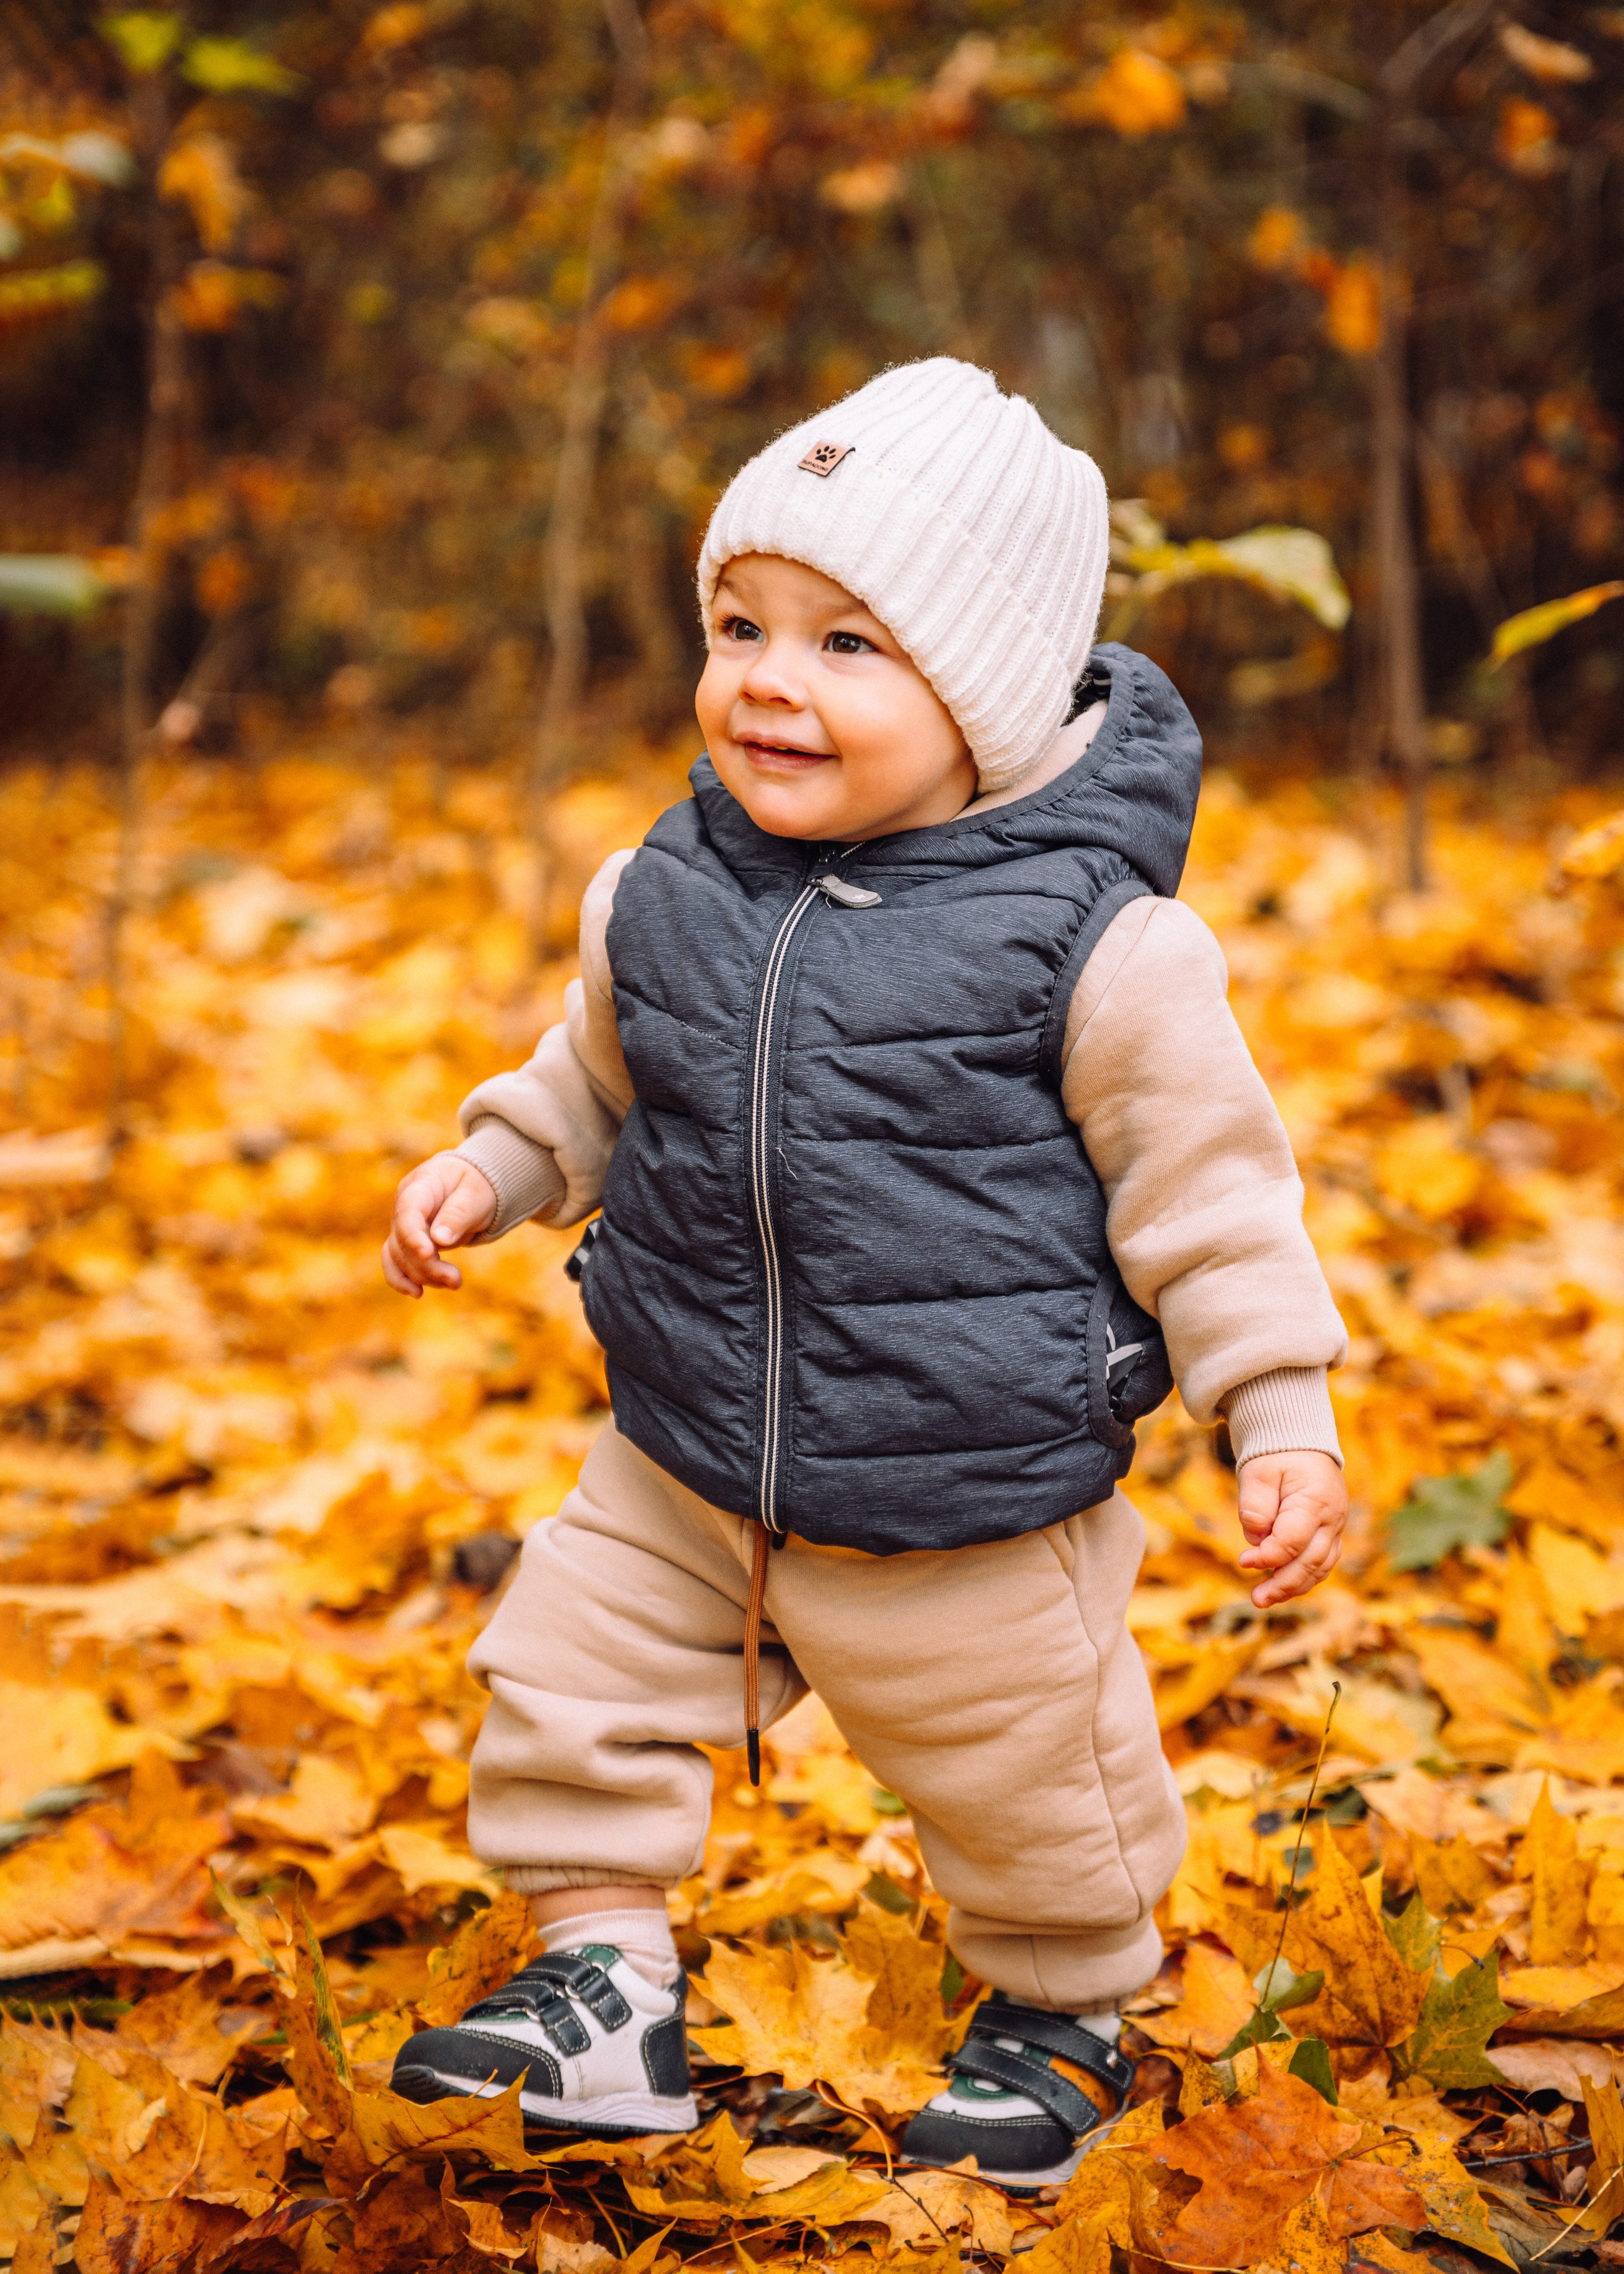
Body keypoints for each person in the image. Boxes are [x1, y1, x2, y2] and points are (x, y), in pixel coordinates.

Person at [379, 358, 1348, 2186]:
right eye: (740, 621)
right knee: (568, 1678)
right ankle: (600, 1982)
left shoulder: (1101, 948)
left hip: (959, 1476)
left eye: (847, 645)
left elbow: (1210, 1194)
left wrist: (1275, 1404)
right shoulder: (663, 884)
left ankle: (1061, 2015)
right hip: (684, 1449)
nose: (765, 677)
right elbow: (597, 1065)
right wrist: (495, 1164)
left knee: (1029, 1777)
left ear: (979, 695)